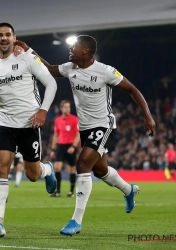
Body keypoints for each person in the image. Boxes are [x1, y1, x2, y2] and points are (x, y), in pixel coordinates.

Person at [14, 35, 156, 235]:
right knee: (100, 171)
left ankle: (76, 221)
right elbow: (50, 69)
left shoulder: (105, 71)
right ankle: (128, 190)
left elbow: (133, 90)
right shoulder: (71, 68)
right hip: (85, 128)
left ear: (86, 51)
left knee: (82, 164)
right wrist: (29, 50)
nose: (70, 49)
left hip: (103, 125)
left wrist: (147, 115)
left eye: (74, 46)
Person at [0, 22, 58, 237]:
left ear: (15, 38)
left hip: (29, 124)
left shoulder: (26, 58)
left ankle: (48, 170)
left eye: (8, 35)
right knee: (1, 168)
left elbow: (51, 83)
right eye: (0, 35)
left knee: (32, 174)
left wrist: (43, 110)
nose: (4, 38)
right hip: (5, 124)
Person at [50, 100, 80, 197]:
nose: (68, 109)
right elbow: (56, 135)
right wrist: (53, 149)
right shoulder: (57, 120)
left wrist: (73, 147)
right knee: (57, 167)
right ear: (61, 108)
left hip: (71, 146)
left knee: (71, 170)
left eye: (69, 107)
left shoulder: (74, 119)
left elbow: (78, 135)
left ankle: (71, 192)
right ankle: (58, 191)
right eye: (66, 107)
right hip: (61, 146)